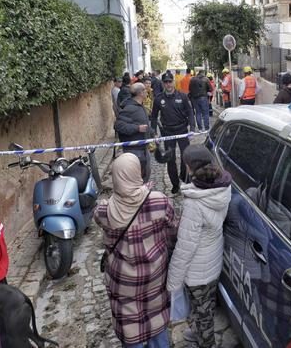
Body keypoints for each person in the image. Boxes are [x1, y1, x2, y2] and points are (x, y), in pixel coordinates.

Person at [95, 154, 176, 348]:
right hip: (156, 277)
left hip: (123, 283)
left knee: (131, 332)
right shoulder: (159, 201)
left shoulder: (104, 212)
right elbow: (173, 232)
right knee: (158, 326)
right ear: (137, 173)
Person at [166, 145, 232, 348]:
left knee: (202, 312)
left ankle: (207, 342)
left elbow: (185, 248)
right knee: (207, 305)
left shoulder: (195, 204)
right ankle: (198, 334)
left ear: (189, 167)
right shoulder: (223, 186)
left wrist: (173, 282)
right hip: (213, 258)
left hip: (197, 270)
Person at [151, 71, 196, 193]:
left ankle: (184, 177)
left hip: (182, 130)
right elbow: (154, 117)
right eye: (165, 82)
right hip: (167, 133)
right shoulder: (159, 99)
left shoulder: (182, 96)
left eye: (170, 81)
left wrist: (192, 129)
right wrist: (154, 133)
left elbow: (190, 113)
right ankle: (175, 184)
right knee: (170, 160)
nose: (168, 84)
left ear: (173, 82)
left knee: (185, 157)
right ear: (163, 83)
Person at [115, 82, 152, 181]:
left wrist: (151, 133)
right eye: (145, 90)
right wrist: (137, 128)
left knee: (146, 175)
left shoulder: (139, 105)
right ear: (140, 93)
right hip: (134, 151)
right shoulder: (130, 108)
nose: (147, 92)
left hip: (143, 148)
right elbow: (118, 126)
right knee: (138, 179)